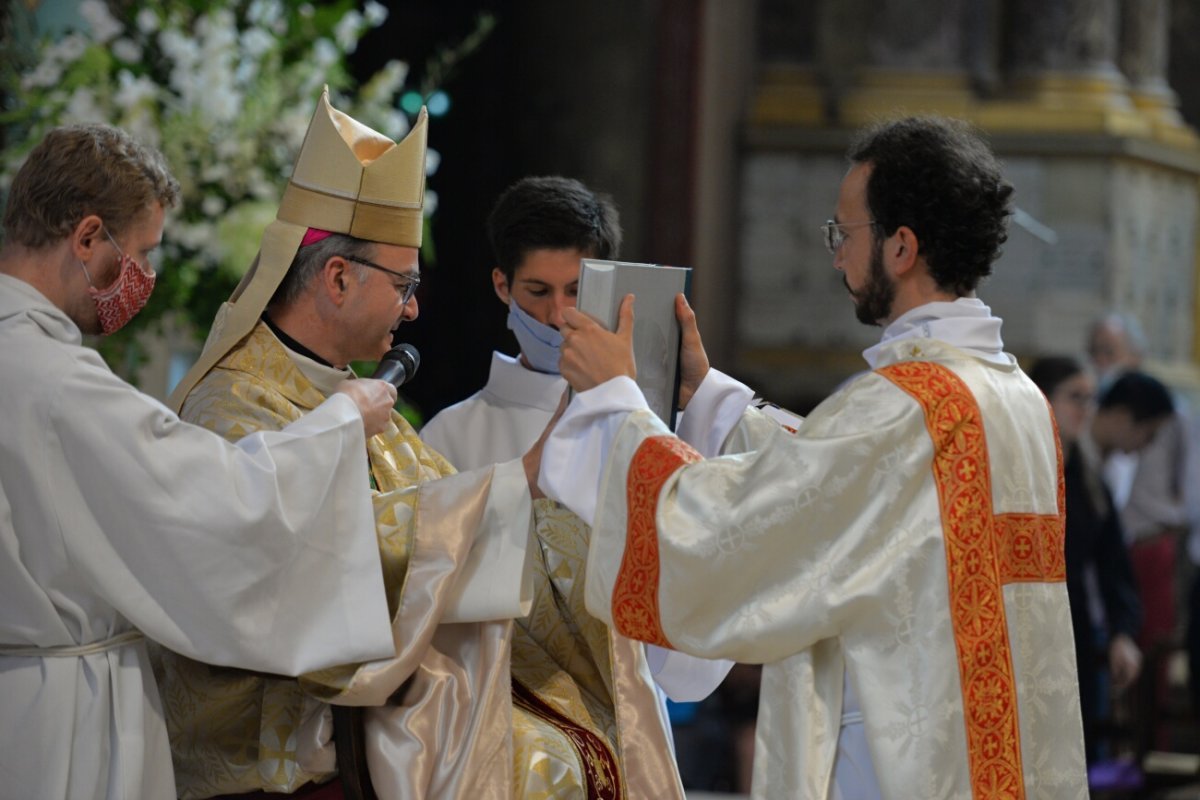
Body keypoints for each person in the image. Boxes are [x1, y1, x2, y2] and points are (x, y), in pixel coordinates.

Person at [155, 91, 684, 800]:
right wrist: (523, 475)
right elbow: (309, 562)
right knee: (546, 769)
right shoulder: (237, 406)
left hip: (383, 694)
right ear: (337, 279)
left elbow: (440, 518)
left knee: (600, 724)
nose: (411, 308)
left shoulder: (352, 395)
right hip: (276, 728)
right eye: (404, 284)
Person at [539, 115, 1089, 798]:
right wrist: (709, 398)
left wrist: (616, 404)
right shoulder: (1012, 397)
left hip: (904, 761)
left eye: (844, 233)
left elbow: (736, 528)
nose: (835, 256)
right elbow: (847, 492)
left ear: (901, 247)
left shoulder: (905, 405)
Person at [0, 125, 401, 799]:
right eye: (142, 254)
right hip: (64, 720)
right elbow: (218, 502)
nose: (145, 280)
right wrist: (341, 423)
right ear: (89, 238)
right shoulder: (54, 381)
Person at [420, 175, 734, 712]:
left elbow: (706, 566)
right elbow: (426, 586)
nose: (557, 315)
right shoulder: (451, 433)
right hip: (497, 710)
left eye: (576, 291)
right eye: (537, 292)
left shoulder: (651, 422)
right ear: (502, 286)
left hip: (627, 708)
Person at [1029, 356, 1143, 762]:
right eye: (1075, 397)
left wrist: (1122, 632)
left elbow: (1115, 566)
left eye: (1091, 400)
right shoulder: (1019, 468)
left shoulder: (1089, 479)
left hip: (1071, 624)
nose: (1086, 410)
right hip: (1019, 626)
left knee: (1073, 751)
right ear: (1040, 398)